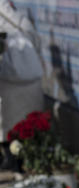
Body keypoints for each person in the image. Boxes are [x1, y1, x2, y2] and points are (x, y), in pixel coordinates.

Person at [0, 0, 44, 142]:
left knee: (8, 127)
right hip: (31, 80)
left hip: (8, 82)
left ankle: (11, 155)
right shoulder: (21, 20)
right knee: (28, 125)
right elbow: (37, 44)